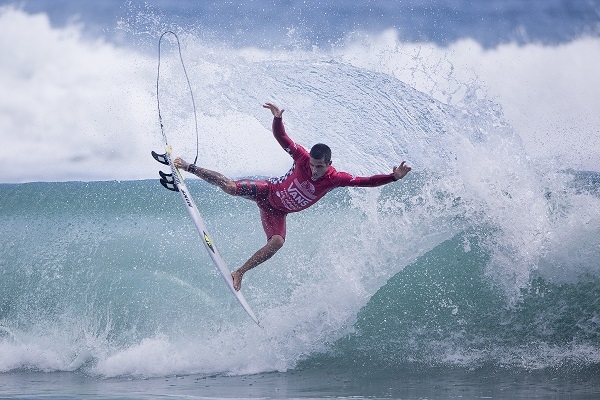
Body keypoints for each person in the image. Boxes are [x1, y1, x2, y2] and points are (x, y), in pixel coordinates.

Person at [174, 103, 411, 291]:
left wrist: (393, 177)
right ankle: (186, 166)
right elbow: (283, 139)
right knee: (229, 186)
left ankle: (240, 272)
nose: (314, 169)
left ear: (329, 163)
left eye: (319, 166)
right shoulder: (301, 157)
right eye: (312, 164)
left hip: (277, 211)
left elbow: (366, 182)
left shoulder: (336, 178)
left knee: (277, 242)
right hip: (267, 191)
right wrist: (278, 118)